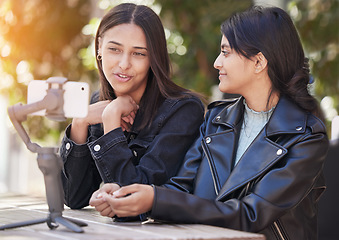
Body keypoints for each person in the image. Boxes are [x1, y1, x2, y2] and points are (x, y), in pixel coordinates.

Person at [89, 6, 329, 239]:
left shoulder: (306, 136)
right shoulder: (217, 120)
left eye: (225, 52)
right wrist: (131, 195)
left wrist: (154, 200)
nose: (217, 62)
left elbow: (251, 215)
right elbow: (181, 189)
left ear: (259, 62)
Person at [60, 3, 205, 210]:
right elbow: (74, 198)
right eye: (114, 49)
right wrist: (80, 121)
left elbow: (134, 197)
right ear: (99, 47)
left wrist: (111, 121)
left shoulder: (183, 110)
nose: (124, 64)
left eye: (138, 53)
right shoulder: (95, 105)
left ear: (153, 57)